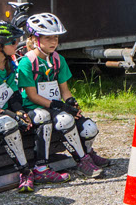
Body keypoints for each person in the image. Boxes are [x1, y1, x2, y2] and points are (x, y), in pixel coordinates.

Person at [0, 21, 60, 194]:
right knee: (8, 124)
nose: (17, 44)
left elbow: (14, 96)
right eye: (13, 42)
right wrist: (11, 115)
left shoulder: (9, 65)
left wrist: (20, 112)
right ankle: (25, 172)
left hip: (3, 110)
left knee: (42, 116)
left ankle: (41, 167)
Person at [18, 13, 109, 180]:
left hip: (55, 106)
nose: (53, 42)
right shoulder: (27, 62)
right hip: (36, 108)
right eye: (48, 38)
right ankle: (82, 161)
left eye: (56, 37)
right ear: (35, 39)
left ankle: (88, 152)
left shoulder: (58, 60)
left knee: (89, 127)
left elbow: (64, 90)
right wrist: (60, 106)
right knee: (65, 120)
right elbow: (32, 96)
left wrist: (71, 103)